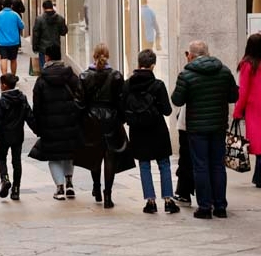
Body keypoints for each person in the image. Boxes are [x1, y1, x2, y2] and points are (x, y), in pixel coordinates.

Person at [171, 40, 238, 219]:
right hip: (218, 126)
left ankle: (205, 207)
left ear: (191, 56)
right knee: (217, 165)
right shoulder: (224, 71)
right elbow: (234, 96)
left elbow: (177, 100)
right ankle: (220, 206)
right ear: (208, 53)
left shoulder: (186, 74)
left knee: (200, 166)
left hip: (197, 128)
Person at [123, 49, 179, 214]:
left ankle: (150, 201)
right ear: (153, 65)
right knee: (164, 164)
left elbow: (123, 107)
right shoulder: (158, 85)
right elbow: (167, 111)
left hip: (138, 130)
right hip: (157, 129)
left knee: (144, 165)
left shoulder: (128, 84)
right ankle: (168, 200)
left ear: (138, 64)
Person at [76, 43, 127, 209]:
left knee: (94, 154)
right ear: (108, 56)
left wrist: (81, 119)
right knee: (109, 156)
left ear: (93, 56)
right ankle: (108, 194)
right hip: (111, 118)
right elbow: (121, 100)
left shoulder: (84, 76)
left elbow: (80, 102)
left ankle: (96, 187)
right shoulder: (116, 76)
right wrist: (122, 118)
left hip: (92, 119)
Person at [30, 44, 84, 201]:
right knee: (69, 154)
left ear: (46, 57)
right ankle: (69, 182)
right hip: (70, 123)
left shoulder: (42, 80)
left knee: (54, 157)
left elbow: (37, 106)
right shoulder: (71, 76)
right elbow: (80, 98)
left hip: (50, 125)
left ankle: (59, 188)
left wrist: (37, 127)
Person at [0, 73, 36, 201]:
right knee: (16, 161)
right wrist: (37, 130)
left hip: (4, 136)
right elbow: (29, 116)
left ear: (4, 85)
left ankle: (5, 178)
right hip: (18, 135)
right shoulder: (22, 99)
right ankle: (16, 189)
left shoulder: (1, 102)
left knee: (1, 158)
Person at [233, 33, 261, 187]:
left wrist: (237, 111)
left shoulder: (247, 65)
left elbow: (243, 91)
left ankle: (259, 177)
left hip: (254, 108)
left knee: (258, 142)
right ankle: (258, 176)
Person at [32, 0, 69, 68]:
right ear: (52, 7)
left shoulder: (39, 19)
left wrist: (35, 47)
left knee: (44, 68)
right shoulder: (60, 19)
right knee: (56, 67)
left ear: (43, 8)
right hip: (56, 48)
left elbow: (36, 34)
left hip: (43, 49)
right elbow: (64, 32)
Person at [0, 0, 24, 76]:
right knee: (13, 59)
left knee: (3, 58)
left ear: (2, 6)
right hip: (14, 41)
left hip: (1, 42)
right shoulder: (15, 15)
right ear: (12, 6)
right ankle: (13, 75)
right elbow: (22, 26)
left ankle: (4, 76)